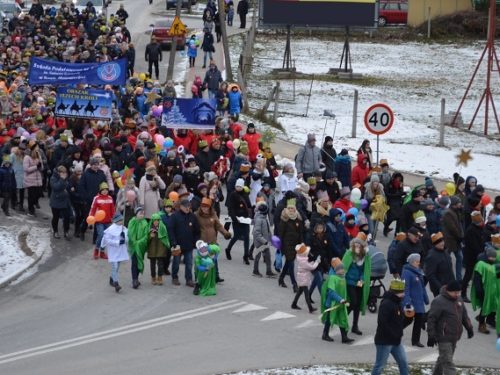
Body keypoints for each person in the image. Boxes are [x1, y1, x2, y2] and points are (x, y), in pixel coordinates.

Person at [427, 281, 474, 375]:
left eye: (459, 292)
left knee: (443, 358)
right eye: (455, 292)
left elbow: (464, 315)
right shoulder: (438, 301)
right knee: (448, 361)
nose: (457, 294)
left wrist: (469, 328)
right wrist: (431, 335)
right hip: (443, 337)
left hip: (455, 336)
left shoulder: (459, 299)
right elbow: (431, 319)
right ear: (448, 291)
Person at [371, 279, 409, 375]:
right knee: (380, 365)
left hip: (396, 341)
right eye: (402, 292)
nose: (404, 294)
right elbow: (382, 323)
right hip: (384, 342)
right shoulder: (386, 304)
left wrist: (410, 318)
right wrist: (394, 334)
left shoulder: (398, 303)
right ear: (396, 293)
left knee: (403, 363)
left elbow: (400, 323)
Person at [343, 233, 371, 336]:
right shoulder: (349, 254)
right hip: (350, 281)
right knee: (353, 302)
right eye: (356, 244)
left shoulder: (365, 256)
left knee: (358, 304)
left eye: (360, 245)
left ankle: (355, 326)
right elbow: (344, 267)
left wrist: (362, 280)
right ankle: (343, 318)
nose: (357, 247)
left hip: (359, 282)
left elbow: (365, 270)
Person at [168, 198, 200, 287]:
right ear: (181, 207)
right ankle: (174, 277)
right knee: (176, 262)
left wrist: (196, 241)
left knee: (189, 263)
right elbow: (170, 230)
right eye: (185, 206)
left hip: (189, 245)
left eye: (189, 206)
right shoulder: (175, 216)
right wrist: (173, 242)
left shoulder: (193, 217)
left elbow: (197, 231)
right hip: (177, 245)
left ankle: (189, 279)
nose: (187, 208)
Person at [321, 258, 352, 343]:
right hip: (332, 304)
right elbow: (331, 292)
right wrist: (340, 299)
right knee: (329, 319)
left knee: (342, 318)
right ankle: (325, 334)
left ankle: (344, 337)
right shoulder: (332, 278)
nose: (342, 270)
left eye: (343, 268)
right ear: (335, 269)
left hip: (341, 303)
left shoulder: (342, 277)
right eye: (340, 268)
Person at [401, 253, 429, 347]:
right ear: (412, 262)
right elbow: (405, 288)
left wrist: (425, 298)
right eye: (417, 261)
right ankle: (395, 331)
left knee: (419, 320)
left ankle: (416, 340)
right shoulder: (407, 273)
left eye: (419, 261)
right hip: (412, 302)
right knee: (408, 320)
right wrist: (407, 302)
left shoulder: (418, 272)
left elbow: (422, 287)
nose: (418, 263)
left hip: (419, 302)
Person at [278, 198, 304, 291]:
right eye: (289, 208)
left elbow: (301, 232)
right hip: (286, 245)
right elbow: (280, 233)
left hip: (295, 245)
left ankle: (281, 279)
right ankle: (294, 284)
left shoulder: (298, 218)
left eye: (292, 208)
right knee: (291, 264)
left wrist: (301, 243)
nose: (291, 210)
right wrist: (280, 246)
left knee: (288, 263)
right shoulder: (284, 219)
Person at [471, 247, 498, 334]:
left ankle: (482, 318)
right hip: (484, 292)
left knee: (493, 306)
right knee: (484, 307)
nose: (493, 259)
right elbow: (477, 279)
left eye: (494, 257)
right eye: (491, 257)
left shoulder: (494, 265)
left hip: (493, 292)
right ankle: (481, 325)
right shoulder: (481, 264)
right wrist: (479, 291)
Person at [101, 213, 129, 293]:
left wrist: (125, 238)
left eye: (121, 220)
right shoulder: (110, 229)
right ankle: (116, 284)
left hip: (120, 251)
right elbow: (107, 240)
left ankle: (112, 278)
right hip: (113, 251)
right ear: (115, 221)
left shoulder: (123, 228)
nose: (121, 221)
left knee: (117, 267)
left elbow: (127, 237)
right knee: (114, 266)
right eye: (119, 220)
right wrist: (117, 242)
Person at [226, 178, 252, 263]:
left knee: (247, 237)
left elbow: (248, 205)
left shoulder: (245, 194)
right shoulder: (233, 195)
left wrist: (249, 214)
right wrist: (234, 218)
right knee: (236, 236)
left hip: (245, 219)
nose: (238, 188)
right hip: (236, 218)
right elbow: (231, 208)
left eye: (240, 186)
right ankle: (228, 249)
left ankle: (246, 256)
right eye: (237, 186)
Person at [462, 211, 485, 302]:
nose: (482, 223)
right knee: (468, 275)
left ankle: (478, 294)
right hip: (471, 257)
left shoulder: (478, 228)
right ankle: (463, 293)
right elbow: (474, 246)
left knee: (477, 275)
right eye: (480, 222)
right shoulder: (471, 230)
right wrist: (481, 255)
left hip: (477, 255)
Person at [89, 182, 115, 260]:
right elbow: (92, 209)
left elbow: (112, 210)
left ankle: (102, 252)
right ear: (100, 190)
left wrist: (114, 218)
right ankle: (96, 250)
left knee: (106, 237)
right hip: (99, 221)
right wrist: (91, 219)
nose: (105, 191)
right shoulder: (96, 198)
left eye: (106, 190)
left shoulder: (110, 198)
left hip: (108, 221)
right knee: (101, 235)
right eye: (103, 190)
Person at [425, 232, 456, 297]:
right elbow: (430, 275)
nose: (442, 243)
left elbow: (450, 270)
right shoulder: (432, 256)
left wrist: (453, 283)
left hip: (449, 286)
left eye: (442, 241)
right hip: (439, 289)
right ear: (435, 244)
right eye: (439, 242)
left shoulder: (445, 252)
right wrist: (441, 287)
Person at [291, 243, 320, 313]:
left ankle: (294, 304)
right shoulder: (303, 260)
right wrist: (317, 262)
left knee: (299, 292)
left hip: (302, 277)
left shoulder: (301, 258)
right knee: (306, 293)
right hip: (303, 278)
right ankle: (310, 308)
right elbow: (311, 267)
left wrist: (312, 262)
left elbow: (307, 266)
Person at [441, 195, 464, 281]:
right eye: (459, 203)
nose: (460, 204)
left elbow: (459, 224)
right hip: (450, 240)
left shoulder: (456, 211)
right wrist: (460, 236)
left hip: (456, 240)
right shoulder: (448, 213)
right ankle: (449, 278)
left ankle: (459, 278)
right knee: (448, 260)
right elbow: (452, 228)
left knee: (459, 258)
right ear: (454, 204)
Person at [252, 201, 276, 278]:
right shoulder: (259, 219)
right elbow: (256, 233)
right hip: (260, 242)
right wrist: (264, 241)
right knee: (258, 256)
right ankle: (255, 271)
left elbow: (268, 230)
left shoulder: (264, 218)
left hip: (265, 241)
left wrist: (270, 238)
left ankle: (268, 271)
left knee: (268, 256)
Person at [127, 206, 149, 289]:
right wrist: (134, 242)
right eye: (140, 213)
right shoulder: (132, 222)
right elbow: (130, 233)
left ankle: (136, 278)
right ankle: (134, 280)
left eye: (143, 214)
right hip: (133, 247)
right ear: (136, 214)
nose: (142, 215)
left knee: (140, 262)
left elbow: (146, 235)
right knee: (134, 263)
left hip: (141, 247)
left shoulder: (145, 223)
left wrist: (139, 242)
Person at [147, 212, 170, 286]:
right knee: (152, 265)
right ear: (152, 221)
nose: (156, 222)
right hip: (152, 250)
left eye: (157, 220)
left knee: (160, 265)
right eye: (154, 220)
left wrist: (166, 245)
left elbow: (165, 237)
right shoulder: (149, 228)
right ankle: (153, 277)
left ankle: (160, 277)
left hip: (161, 249)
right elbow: (146, 239)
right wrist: (150, 236)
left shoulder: (162, 227)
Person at [49, 165, 71, 240]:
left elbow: (67, 186)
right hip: (56, 201)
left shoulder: (66, 178)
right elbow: (56, 187)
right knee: (56, 217)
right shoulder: (53, 178)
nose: (64, 174)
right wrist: (62, 179)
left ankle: (66, 231)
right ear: (59, 172)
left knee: (67, 217)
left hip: (65, 200)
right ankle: (55, 231)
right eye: (62, 172)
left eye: (65, 172)